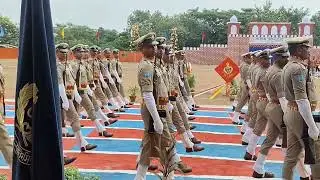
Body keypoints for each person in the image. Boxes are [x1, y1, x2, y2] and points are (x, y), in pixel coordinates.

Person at [252, 46, 311, 179]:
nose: (286, 59)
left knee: (270, 138)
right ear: (278, 58)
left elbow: (268, 92)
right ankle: (305, 175)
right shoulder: (278, 74)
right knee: (294, 144)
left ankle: (258, 167)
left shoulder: (271, 70)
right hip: (280, 109)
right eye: (284, 57)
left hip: (271, 107)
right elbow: (283, 99)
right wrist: (289, 116)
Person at [135, 33, 181, 180]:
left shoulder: (153, 64)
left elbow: (160, 89)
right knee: (167, 144)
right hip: (153, 112)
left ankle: (140, 177)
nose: (155, 49)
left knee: (150, 145)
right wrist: (156, 119)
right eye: (150, 46)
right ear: (142, 49)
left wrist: (167, 104)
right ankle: (169, 176)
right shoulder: (146, 67)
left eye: (155, 46)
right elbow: (148, 95)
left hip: (160, 109)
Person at [282, 37, 320, 180]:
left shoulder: (288, 66)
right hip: (300, 115)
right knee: (316, 154)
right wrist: (312, 126)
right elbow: (302, 100)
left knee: (291, 156)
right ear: (298, 50)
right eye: (306, 48)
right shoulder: (297, 69)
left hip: (291, 112)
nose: (309, 51)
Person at [56, 43, 98, 152]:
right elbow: (59, 84)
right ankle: (62, 151)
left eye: (66, 52)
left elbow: (72, 81)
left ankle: (82, 143)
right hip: (60, 97)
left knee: (74, 118)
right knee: (58, 124)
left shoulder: (67, 65)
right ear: (57, 53)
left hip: (68, 96)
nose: (65, 55)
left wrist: (75, 94)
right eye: (62, 52)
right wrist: (65, 100)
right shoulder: (57, 66)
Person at [244, 50, 270, 161]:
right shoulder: (263, 71)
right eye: (266, 59)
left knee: (259, 124)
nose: (269, 61)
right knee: (278, 128)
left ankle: (250, 150)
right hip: (264, 100)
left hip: (258, 96)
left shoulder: (257, 69)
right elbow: (268, 91)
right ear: (261, 59)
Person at [242, 50, 262, 145]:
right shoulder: (256, 68)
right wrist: (253, 90)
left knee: (252, 112)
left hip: (254, 91)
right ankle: (248, 137)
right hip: (257, 92)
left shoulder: (253, 67)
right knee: (256, 115)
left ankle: (246, 134)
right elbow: (249, 79)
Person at [232, 52, 252, 127]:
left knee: (241, 101)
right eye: (250, 58)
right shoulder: (246, 66)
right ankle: (235, 118)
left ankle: (236, 116)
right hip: (246, 85)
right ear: (246, 58)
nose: (251, 60)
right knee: (242, 101)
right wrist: (251, 88)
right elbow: (247, 78)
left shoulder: (244, 64)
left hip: (243, 83)